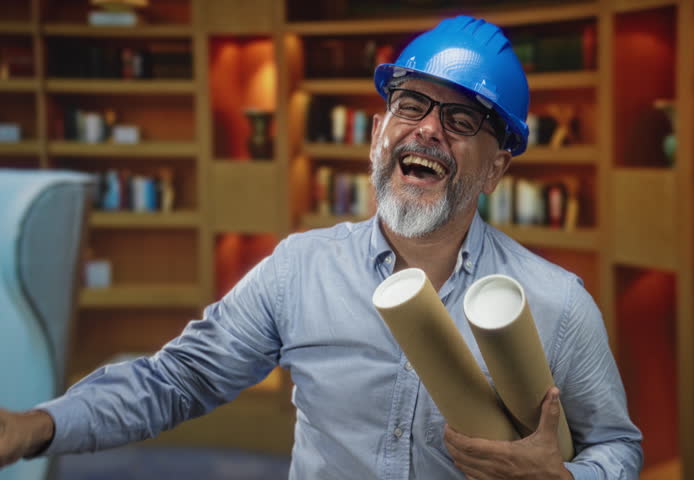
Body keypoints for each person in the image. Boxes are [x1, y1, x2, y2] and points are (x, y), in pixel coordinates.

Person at [0, 16, 642, 479]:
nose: (427, 129)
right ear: (376, 135)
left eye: (460, 119)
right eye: (410, 104)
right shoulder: (298, 270)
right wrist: (37, 426)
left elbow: (616, 447)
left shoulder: (557, 303)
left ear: (497, 167)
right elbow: (177, 379)